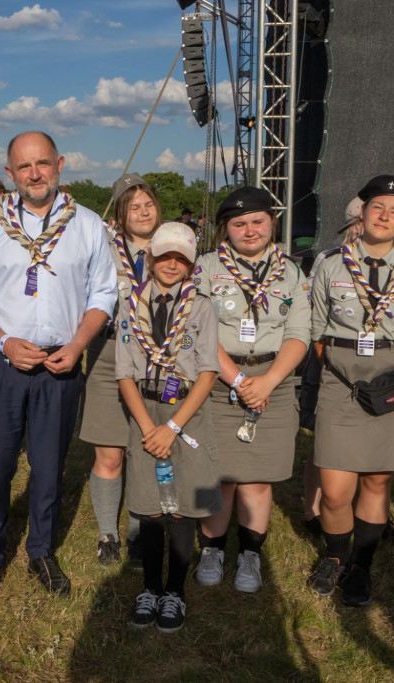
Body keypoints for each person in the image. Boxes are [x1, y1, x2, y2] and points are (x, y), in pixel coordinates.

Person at [0, 131, 118, 604]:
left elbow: (103, 293)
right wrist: (3, 342)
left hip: (60, 364)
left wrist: (78, 344)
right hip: (4, 362)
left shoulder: (86, 225)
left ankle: (42, 550)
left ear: (60, 164)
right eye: (24, 167)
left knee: (48, 468)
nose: (34, 174)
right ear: (10, 173)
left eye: (42, 164)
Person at [307, 175, 394, 606]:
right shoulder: (330, 266)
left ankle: (361, 566)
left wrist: (386, 378)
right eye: (377, 206)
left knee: (377, 482)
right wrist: (343, 371)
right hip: (341, 386)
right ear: (362, 213)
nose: (384, 215)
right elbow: (317, 328)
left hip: (392, 387)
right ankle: (335, 556)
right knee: (337, 489)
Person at [194, 187, 311, 593]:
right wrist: (242, 383)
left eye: (257, 221)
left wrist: (267, 383)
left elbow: (298, 333)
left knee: (259, 479)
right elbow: (199, 331)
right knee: (221, 476)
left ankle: (250, 554)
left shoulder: (292, 272)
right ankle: (212, 549)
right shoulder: (207, 267)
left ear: (272, 223)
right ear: (225, 228)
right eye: (239, 223)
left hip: (273, 381)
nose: (249, 230)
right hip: (220, 380)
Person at [115, 221, 220, 632]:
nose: (171, 264)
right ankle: (150, 588)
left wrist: (172, 427)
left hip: (187, 413)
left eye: (181, 258)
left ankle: (175, 591)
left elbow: (208, 373)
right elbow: (124, 374)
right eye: (164, 256)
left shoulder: (202, 308)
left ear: (191, 265)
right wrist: (148, 428)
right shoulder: (130, 305)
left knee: (182, 509)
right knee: (150, 506)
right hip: (145, 413)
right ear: (150, 258)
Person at [79, 173, 162, 567]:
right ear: (121, 213)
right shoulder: (102, 248)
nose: (143, 212)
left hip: (160, 359)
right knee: (109, 450)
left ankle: (138, 529)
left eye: (148, 205)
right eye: (133, 206)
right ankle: (107, 533)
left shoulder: (175, 246)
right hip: (111, 351)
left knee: (147, 449)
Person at [299, 196, 364, 537]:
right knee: (323, 442)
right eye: (358, 223)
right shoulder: (329, 259)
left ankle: (367, 513)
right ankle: (312, 511)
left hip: (372, 369)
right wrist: (327, 363)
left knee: (371, 444)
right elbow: (314, 314)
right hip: (328, 361)